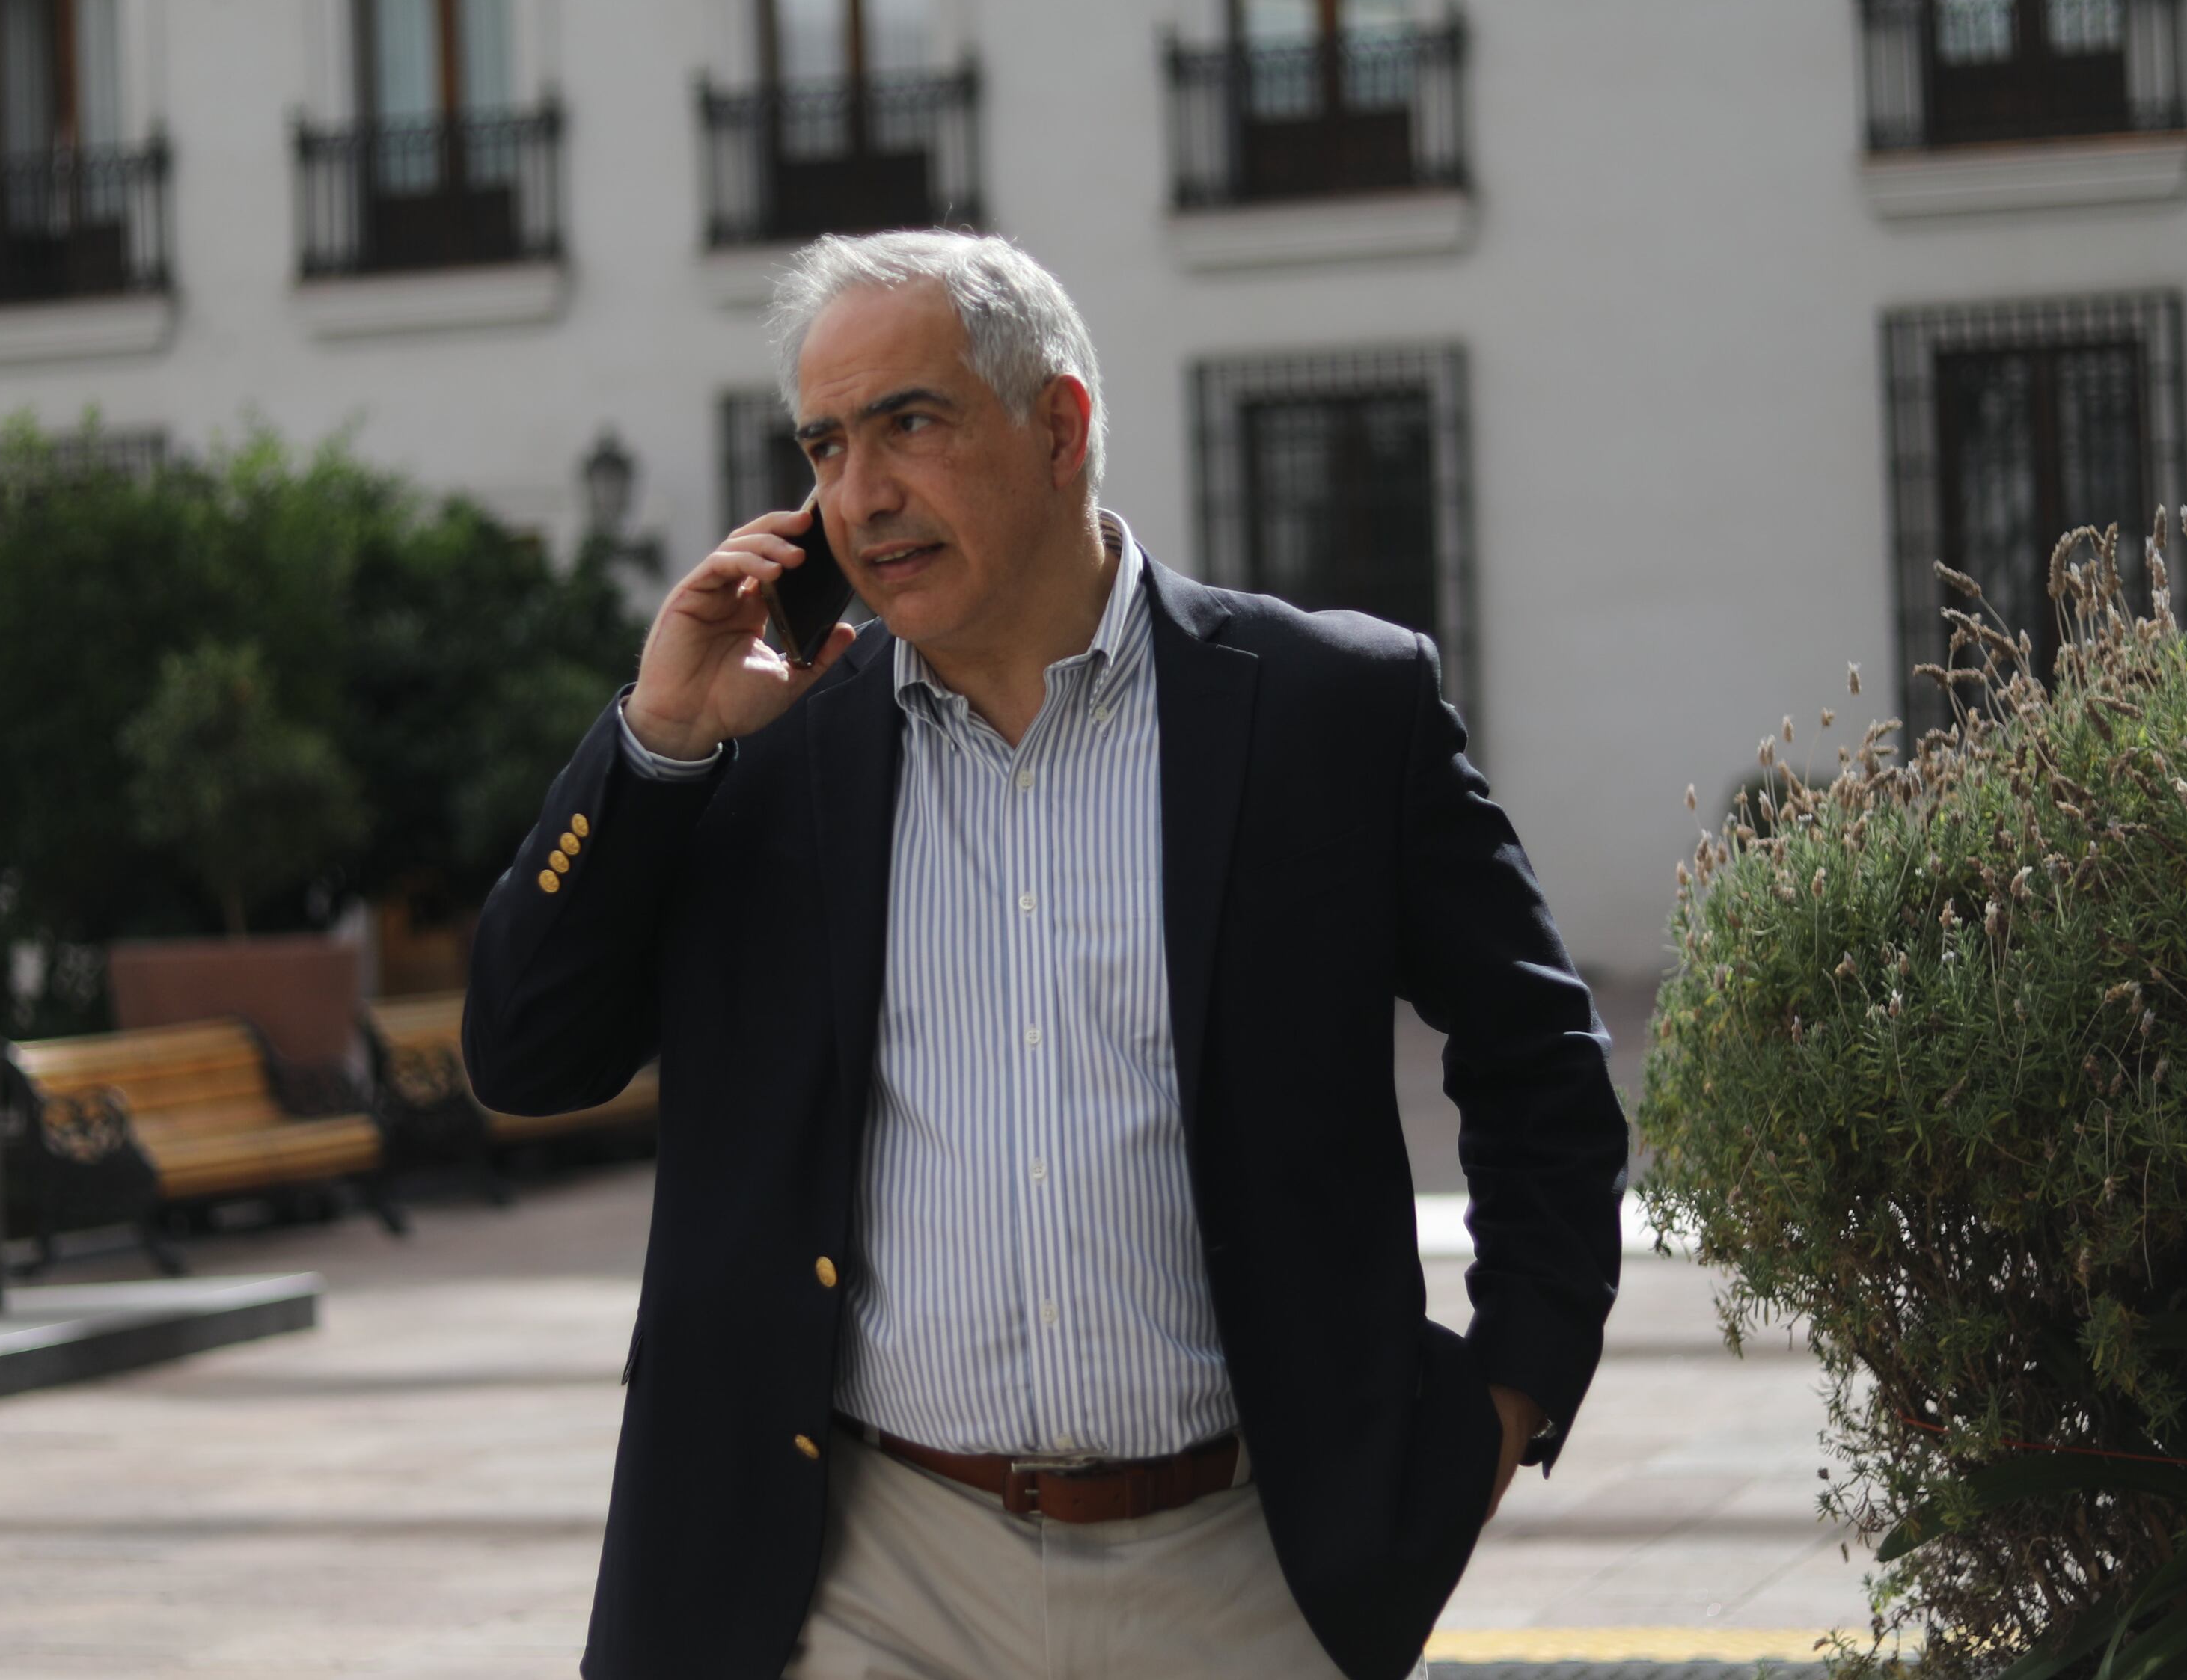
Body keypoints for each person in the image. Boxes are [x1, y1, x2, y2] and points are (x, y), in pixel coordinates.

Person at [467, 230, 1627, 1680]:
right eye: (825, 447)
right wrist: (652, 747)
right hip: (857, 1570)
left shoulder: (1330, 713)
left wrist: (1495, 1411)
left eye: (911, 424)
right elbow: (525, 1052)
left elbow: (1539, 1068)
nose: (860, 496)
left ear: (1060, 425)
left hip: (1239, 1572)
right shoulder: (761, 748)